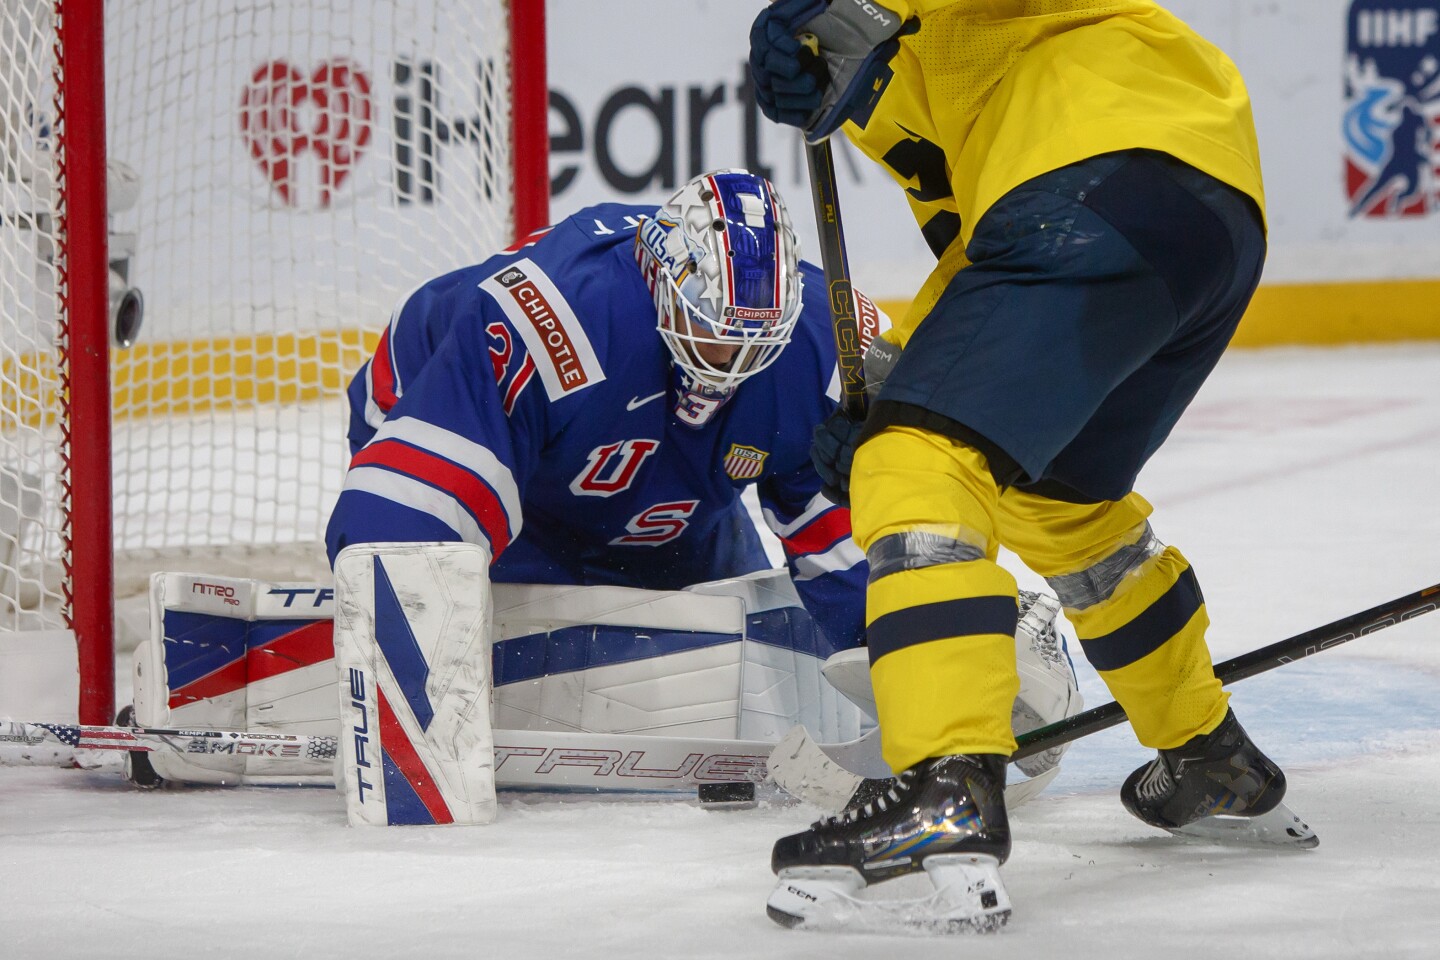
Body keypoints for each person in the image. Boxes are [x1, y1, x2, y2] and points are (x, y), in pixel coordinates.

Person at [749, 0, 1311, 932]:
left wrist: (899, 430)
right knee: (1057, 500)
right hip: (1194, 210)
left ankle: (944, 788)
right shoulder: (931, 96)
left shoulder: (935, 26)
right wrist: (900, 380)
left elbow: (1036, 222)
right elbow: (997, 247)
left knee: (914, 466)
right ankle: (1211, 757)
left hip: (1106, 164)